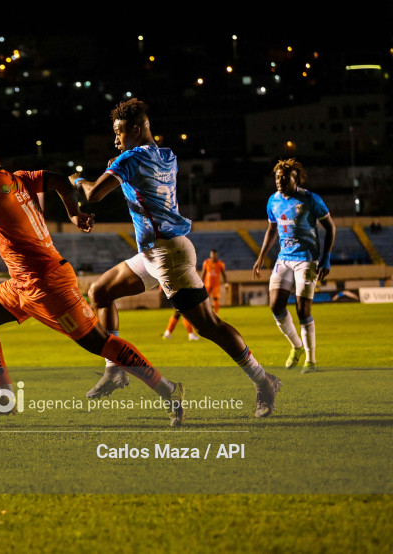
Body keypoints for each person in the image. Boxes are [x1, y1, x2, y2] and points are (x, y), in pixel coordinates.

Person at [0, 136, 188, 426]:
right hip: (22, 283)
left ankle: (169, 389)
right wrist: (73, 212)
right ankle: (4, 396)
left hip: (48, 284)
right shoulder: (19, 178)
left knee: (100, 343)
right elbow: (59, 180)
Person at [71, 99, 281, 418]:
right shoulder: (168, 155)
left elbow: (93, 194)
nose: (115, 139)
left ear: (136, 129)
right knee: (99, 292)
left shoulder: (129, 159)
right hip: (155, 252)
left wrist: (76, 179)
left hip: (168, 256)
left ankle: (264, 381)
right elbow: (137, 172)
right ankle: (115, 369)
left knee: (210, 326)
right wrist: (119, 162)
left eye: (119, 131)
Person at [252, 158, 336, 373]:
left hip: (307, 259)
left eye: (284, 177)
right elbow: (272, 229)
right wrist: (261, 256)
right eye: (277, 177)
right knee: (275, 306)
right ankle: (296, 346)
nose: (279, 181)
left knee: (302, 309)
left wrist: (326, 257)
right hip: (284, 258)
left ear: (295, 178)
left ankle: (311, 360)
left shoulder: (310, 199)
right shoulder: (273, 201)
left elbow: (330, 227)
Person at [201, 249, 228, 314]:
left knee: (215, 299)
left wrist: (226, 284)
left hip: (216, 285)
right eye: (212, 254)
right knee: (205, 299)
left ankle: (216, 314)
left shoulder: (220, 263)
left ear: (216, 255)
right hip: (207, 284)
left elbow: (224, 274)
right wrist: (201, 283)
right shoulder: (206, 262)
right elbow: (203, 273)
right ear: (210, 254)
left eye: (214, 254)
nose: (213, 255)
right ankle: (205, 312)